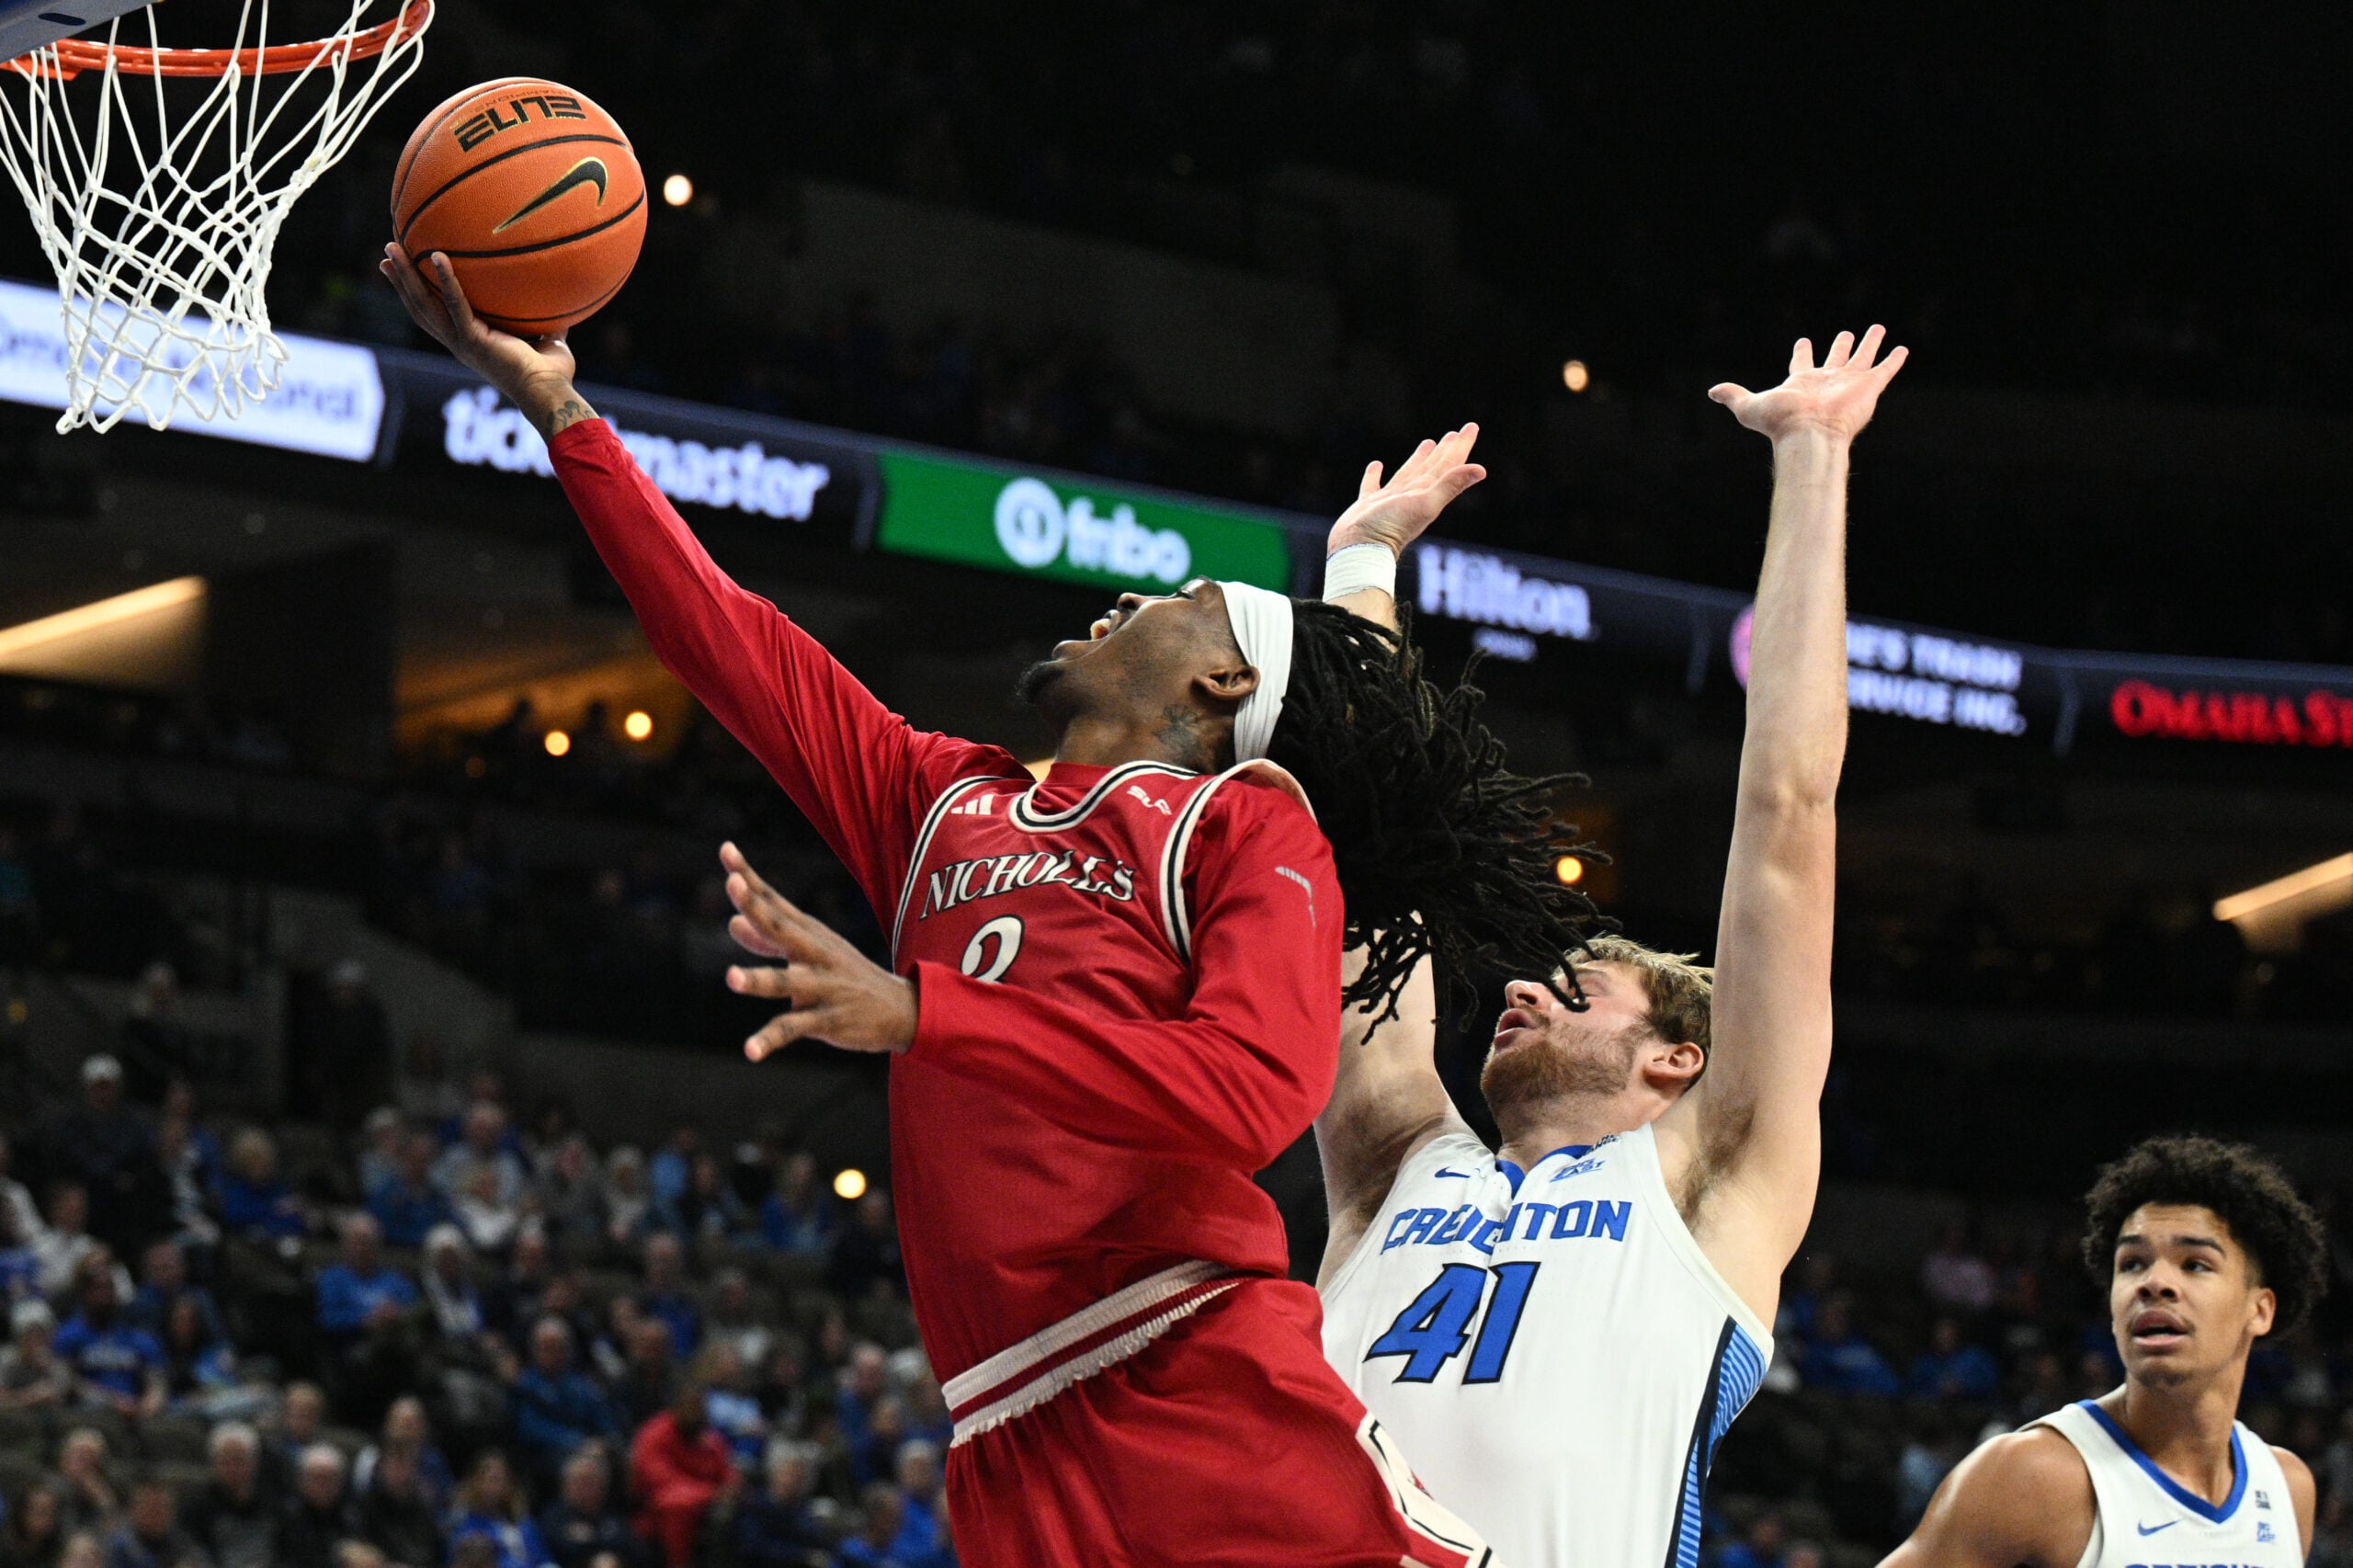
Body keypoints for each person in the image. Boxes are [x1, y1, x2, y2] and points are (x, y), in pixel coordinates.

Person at [383, 243, 1586, 1566]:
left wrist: (928, 1013)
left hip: (1189, 1378)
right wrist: (565, 415)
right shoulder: (941, 798)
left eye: (1183, 602)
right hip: (1001, 1425)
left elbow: (1251, 1091)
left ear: (1221, 689)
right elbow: (727, 638)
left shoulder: (1249, 820)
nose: (1130, 597)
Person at [1313, 328, 1910, 1568]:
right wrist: (1361, 572)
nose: (1522, 984)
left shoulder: (1707, 1180)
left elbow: (1789, 815)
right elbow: (1371, 868)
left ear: (1679, 1060)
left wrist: (1812, 461)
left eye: (1580, 987)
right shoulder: (1396, 1170)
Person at [1879, 1135, 2323, 1568]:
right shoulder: (2032, 1474)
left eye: (2195, 1264)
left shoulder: (2287, 1488)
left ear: (2260, 1310)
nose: (2154, 1282)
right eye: (2132, 1264)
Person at [628, 1381, 738, 1568]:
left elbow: (727, 1474)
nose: (696, 1413)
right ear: (676, 1407)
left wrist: (731, 1489)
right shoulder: (655, 1434)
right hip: (656, 1510)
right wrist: (712, 1493)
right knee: (677, 1505)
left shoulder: (708, 1438)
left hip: (708, 1507)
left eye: (700, 1407)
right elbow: (663, 1482)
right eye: (690, 1406)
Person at [53, 1254, 165, 1421]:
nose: (104, 1296)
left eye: (109, 1289)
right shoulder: (68, 1335)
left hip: (135, 1413)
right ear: (84, 1295)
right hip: (87, 1413)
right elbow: (66, 1381)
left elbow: (156, 1383)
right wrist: (111, 1402)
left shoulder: (136, 1338)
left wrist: (149, 1404)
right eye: (98, 1289)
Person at [182, 1424, 282, 1568]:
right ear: (215, 1463)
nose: (233, 1468)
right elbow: (192, 1551)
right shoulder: (196, 1506)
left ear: (253, 1463)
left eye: (239, 1460)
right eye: (226, 1461)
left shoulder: (273, 1503)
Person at [538, 1449, 645, 1568]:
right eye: (579, 1482)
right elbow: (563, 1548)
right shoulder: (553, 1517)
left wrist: (591, 1538)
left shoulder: (613, 1514)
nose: (585, 1489)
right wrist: (603, 1539)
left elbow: (634, 1550)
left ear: (603, 1486)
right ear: (565, 1485)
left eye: (590, 1482)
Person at [349, 1444, 445, 1568]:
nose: (401, 1472)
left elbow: (433, 1550)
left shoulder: (425, 1505)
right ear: (382, 1468)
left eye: (406, 1466)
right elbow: (360, 1547)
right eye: (395, 1465)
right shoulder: (365, 1502)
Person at [447, 1451, 547, 1568]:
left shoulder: (524, 1523)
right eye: (491, 1480)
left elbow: (543, 1559)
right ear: (476, 1483)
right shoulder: (462, 1522)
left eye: (502, 1481)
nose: (496, 1487)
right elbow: (453, 1558)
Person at [279, 1446, 354, 1568]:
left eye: (329, 1479)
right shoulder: (286, 1518)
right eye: (317, 1479)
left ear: (340, 1483)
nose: (323, 1486)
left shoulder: (350, 1518)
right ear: (302, 1481)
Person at [101, 1478, 199, 1568]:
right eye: (149, 1507)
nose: (155, 1514)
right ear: (133, 1510)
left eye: (161, 1507)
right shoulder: (120, 1547)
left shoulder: (182, 1544)